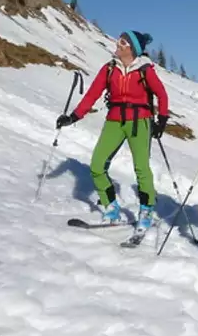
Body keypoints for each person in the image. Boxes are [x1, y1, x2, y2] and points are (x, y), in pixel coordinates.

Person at [56, 30, 169, 234]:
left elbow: (161, 94)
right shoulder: (109, 69)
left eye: (123, 42)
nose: (118, 44)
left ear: (132, 49)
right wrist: (73, 117)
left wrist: (161, 120)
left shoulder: (145, 70)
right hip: (114, 121)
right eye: (119, 40)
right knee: (97, 165)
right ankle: (111, 207)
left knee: (141, 169)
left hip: (139, 122)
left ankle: (146, 210)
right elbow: (92, 94)